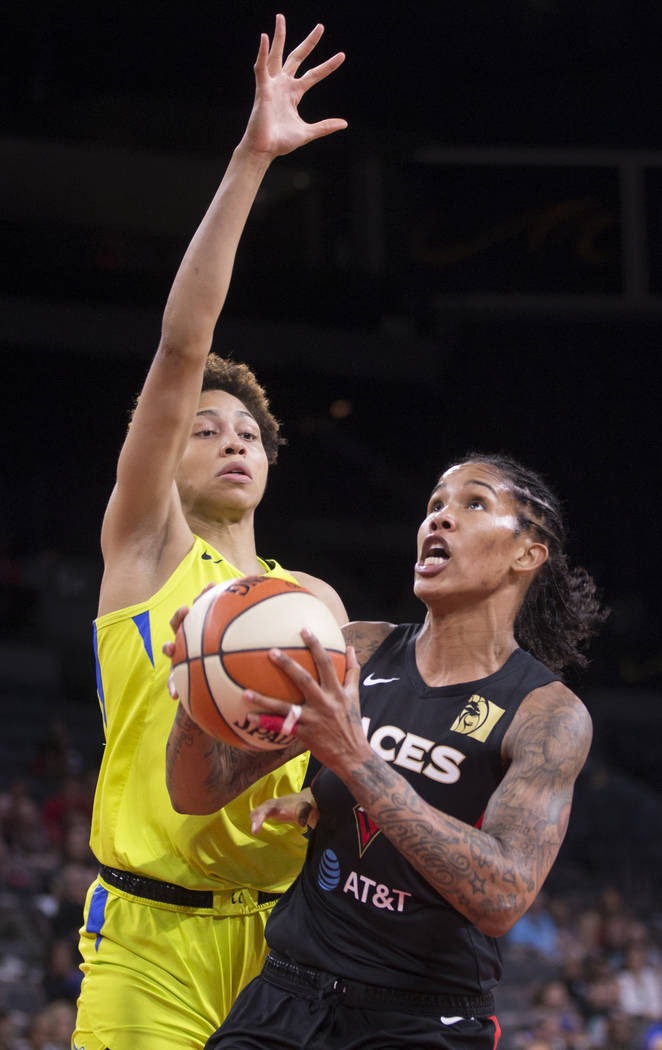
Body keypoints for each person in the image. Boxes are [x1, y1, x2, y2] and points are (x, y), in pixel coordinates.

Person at [73, 16, 348, 1050]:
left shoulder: (310, 603)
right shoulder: (144, 547)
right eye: (204, 426)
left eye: (247, 431)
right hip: (149, 933)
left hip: (287, 945)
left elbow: (336, 760)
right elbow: (184, 343)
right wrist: (249, 160)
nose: (231, 439)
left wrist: (318, 803)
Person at [166, 452, 606, 1049]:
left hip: (422, 1019)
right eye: (434, 506)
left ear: (527, 554)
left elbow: (503, 896)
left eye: (473, 504)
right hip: (288, 992)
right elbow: (198, 791)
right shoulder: (356, 651)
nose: (440, 519)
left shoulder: (547, 715)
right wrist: (197, 695)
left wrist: (357, 761)